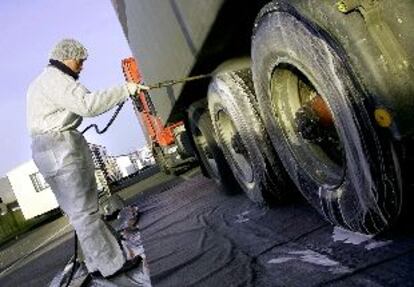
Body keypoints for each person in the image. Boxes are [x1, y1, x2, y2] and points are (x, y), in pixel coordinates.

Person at [27, 38, 144, 277]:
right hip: (57, 147)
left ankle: (96, 262)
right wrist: (126, 88)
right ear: (65, 57)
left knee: (84, 210)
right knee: (83, 212)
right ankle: (112, 265)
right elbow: (88, 105)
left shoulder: (49, 81)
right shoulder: (55, 80)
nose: (82, 66)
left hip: (56, 146)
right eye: (79, 61)